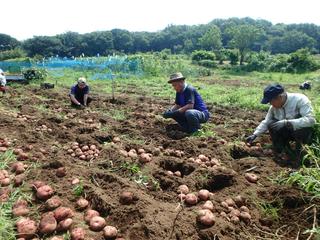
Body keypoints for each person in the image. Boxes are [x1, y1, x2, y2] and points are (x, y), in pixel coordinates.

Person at [246, 83, 316, 164]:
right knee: (271, 124)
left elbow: (311, 120)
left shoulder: (300, 99)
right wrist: (255, 134)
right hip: (287, 132)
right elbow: (267, 121)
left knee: (304, 129)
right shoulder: (274, 107)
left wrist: (288, 123)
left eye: (271, 101)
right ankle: (281, 151)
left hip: (300, 132)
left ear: (280, 97)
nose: (270, 104)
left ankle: (301, 153)